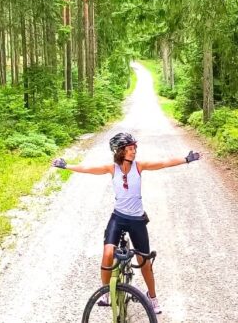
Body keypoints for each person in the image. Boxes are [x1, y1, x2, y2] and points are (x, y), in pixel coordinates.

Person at [52, 132, 201, 314]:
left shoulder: (139, 167)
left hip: (137, 220)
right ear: (120, 151)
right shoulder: (112, 168)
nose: (133, 152)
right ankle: (107, 293)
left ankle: (152, 297)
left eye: (134, 148)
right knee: (107, 253)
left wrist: (186, 159)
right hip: (119, 217)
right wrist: (66, 166)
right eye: (129, 149)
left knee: (144, 261)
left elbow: (163, 163)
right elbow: (88, 168)